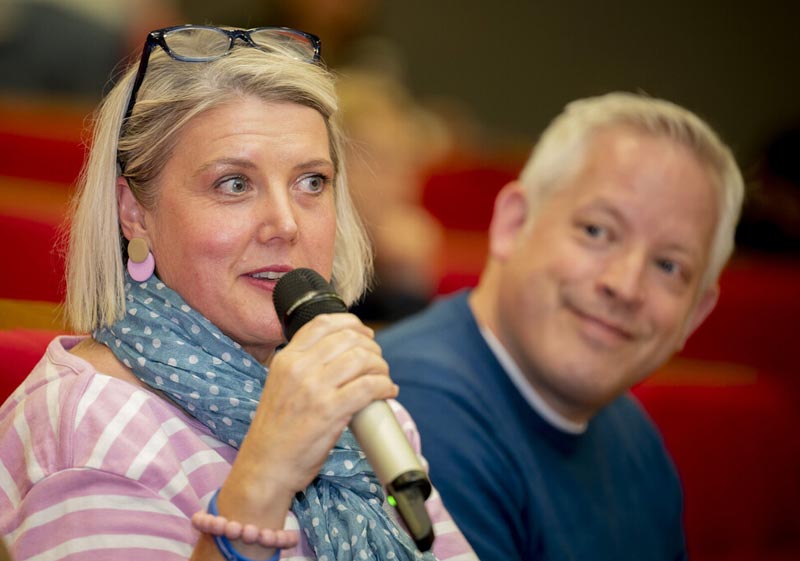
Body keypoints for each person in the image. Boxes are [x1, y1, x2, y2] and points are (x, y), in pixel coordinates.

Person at [0, 25, 477, 561]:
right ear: (134, 212)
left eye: (311, 182)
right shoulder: (88, 431)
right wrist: (267, 471)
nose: (285, 223)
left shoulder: (361, 412)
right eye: (234, 184)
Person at [377, 92, 745, 561]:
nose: (625, 285)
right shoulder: (408, 413)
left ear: (696, 314)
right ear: (513, 223)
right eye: (597, 231)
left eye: (669, 267)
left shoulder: (635, 438)